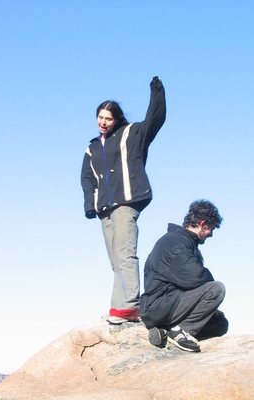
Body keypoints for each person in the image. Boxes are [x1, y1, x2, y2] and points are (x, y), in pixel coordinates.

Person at [81, 76, 166, 324]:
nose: (103, 122)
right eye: (100, 117)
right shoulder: (93, 147)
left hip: (127, 203)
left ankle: (130, 306)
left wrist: (157, 92)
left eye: (108, 118)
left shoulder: (133, 133)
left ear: (117, 119)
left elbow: (155, 120)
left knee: (126, 253)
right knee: (115, 260)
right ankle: (117, 309)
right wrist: (92, 204)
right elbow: (86, 177)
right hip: (104, 209)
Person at [140, 200, 228, 352]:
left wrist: (212, 309)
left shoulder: (183, 241)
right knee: (217, 289)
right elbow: (195, 277)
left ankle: (165, 331)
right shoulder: (177, 242)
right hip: (158, 305)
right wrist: (211, 300)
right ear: (202, 223)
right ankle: (180, 331)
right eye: (211, 229)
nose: (211, 235)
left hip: (167, 304)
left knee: (220, 324)